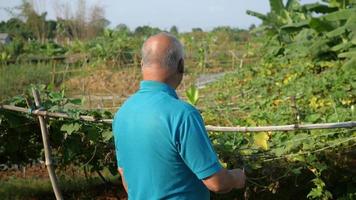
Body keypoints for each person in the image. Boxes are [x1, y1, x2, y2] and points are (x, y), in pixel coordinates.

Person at [112, 32, 246, 199]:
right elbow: (216, 183)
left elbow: (125, 174)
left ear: (141, 64)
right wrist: (236, 178)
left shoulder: (122, 113)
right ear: (181, 65)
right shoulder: (183, 115)